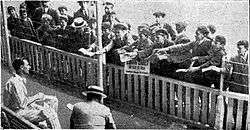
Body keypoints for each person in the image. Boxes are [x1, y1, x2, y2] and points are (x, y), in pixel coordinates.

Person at [3, 58, 61, 129]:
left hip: (15, 112)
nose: (29, 67)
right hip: (17, 115)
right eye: (27, 65)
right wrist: (36, 96)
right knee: (51, 113)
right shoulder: (16, 82)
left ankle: (47, 124)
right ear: (21, 67)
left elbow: (19, 101)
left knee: (53, 101)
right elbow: (22, 104)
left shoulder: (16, 80)